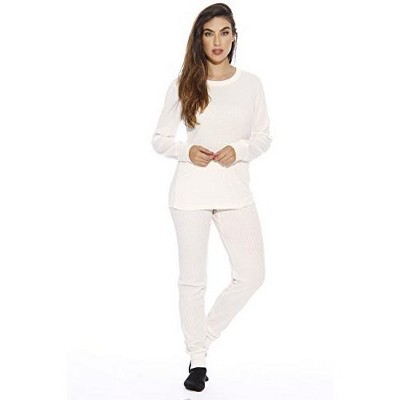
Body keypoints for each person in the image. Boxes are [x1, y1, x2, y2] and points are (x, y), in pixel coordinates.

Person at [151, 3, 272, 392]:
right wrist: (186, 151)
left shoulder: (251, 84)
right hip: (190, 192)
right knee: (193, 281)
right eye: (208, 33)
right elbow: (160, 139)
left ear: (234, 36)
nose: (217, 41)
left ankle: (201, 337)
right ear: (199, 39)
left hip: (235, 191)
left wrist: (240, 149)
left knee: (252, 275)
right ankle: (197, 360)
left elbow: (263, 137)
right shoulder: (184, 83)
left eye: (224, 32)